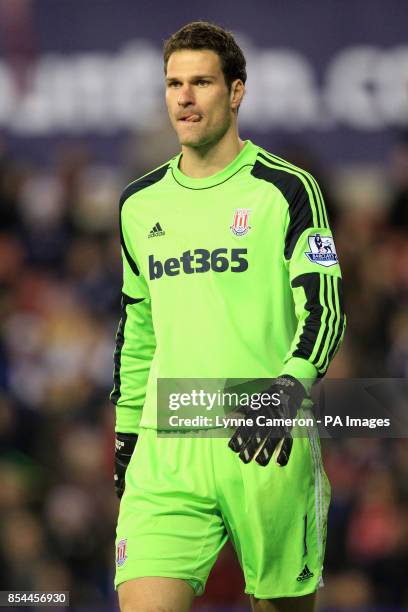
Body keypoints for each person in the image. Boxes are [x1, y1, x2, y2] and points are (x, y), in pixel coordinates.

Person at [111, 21, 346, 612]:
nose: (184, 98)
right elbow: (137, 332)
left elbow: (324, 308)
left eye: (201, 83)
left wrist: (288, 389)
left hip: (266, 440)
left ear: (236, 92)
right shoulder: (139, 205)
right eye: (173, 84)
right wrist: (126, 432)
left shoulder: (286, 189)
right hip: (168, 448)